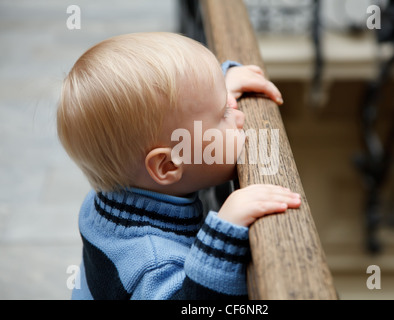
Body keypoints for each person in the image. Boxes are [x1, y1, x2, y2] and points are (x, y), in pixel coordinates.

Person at [57, 32, 301, 300]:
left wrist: (220, 88)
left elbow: (179, 111)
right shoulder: (153, 264)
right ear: (168, 166)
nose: (240, 116)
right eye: (223, 114)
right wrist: (222, 239)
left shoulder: (106, 199)